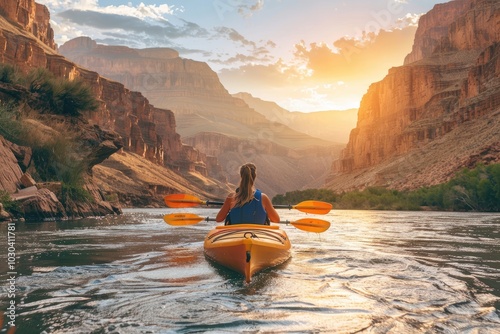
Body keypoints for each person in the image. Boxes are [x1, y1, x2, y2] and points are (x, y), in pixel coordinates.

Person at [216, 163, 280, 225]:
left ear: (241, 176)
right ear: (254, 177)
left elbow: (219, 219)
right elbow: (276, 220)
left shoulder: (231, 197)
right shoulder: (263, 198)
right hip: (257, 234)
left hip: (236, 234)